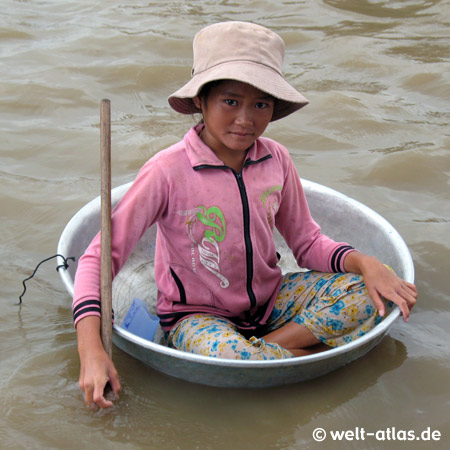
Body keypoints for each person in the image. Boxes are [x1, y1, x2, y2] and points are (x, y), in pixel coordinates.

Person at [73, 21, 417, 408]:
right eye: (231, 101)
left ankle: (265, 352)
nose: (246, 119)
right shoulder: (167, 171)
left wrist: (365, 263)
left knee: (373, 296)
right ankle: (289, 358)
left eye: (261, 104)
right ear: (201, 101)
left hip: (271, 302)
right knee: (227, 356)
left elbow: (307, 243)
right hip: (196, 317)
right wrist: (91, 352)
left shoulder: (276, 159)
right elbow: (99, 259)